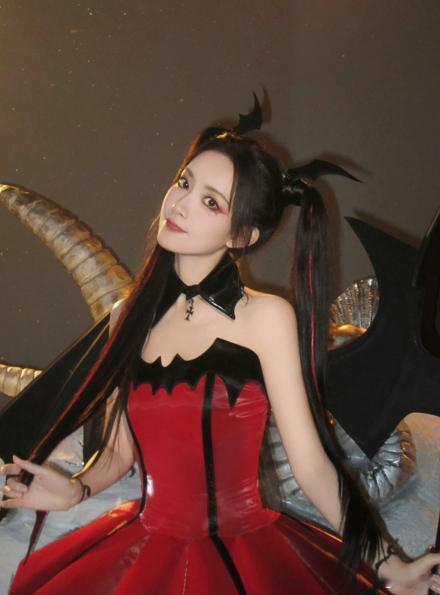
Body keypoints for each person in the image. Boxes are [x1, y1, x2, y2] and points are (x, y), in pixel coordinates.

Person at [1, 114, 439, 594]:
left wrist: (387, 563)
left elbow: (313, 466)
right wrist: (76, 488)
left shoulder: (266, 318)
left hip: (246, 554)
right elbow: (119, 452)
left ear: (242, 236)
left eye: (211, 201)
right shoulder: (128, 315)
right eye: (184, 182)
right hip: (142, 545)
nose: (181, 204)